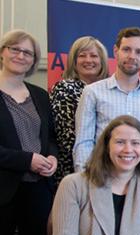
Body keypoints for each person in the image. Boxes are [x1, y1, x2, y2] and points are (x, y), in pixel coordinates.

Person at [49, 115, 140, 235]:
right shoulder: (73, 184)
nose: (128, 149)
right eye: (120, 142)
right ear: (106, 146)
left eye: (135, 143)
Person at [74, 27, 140, 185]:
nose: (132, 56)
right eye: (126, 49)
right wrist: (86, 178)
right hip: (102, 180)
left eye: (138, 52)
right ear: (115, 51)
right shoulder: (93, 92)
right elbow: (84, 141)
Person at [0, 29, 58, 235]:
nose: (21, 56)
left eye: (28, 53)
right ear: (3, 52)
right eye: (15, 49)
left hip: (37, 188)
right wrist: (27, 160)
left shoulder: (41, 96)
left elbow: (51, 137)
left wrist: (52, 156)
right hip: (3, 188)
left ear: (34, 61)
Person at [50, 36, 109, 183]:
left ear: (102, 61)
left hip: (109, 167)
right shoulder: (64, 88)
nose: (88, 60)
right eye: (82, 56)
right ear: (74, 61)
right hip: (73, 167)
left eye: (94, 56)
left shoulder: (110, 90)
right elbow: (68, 136)